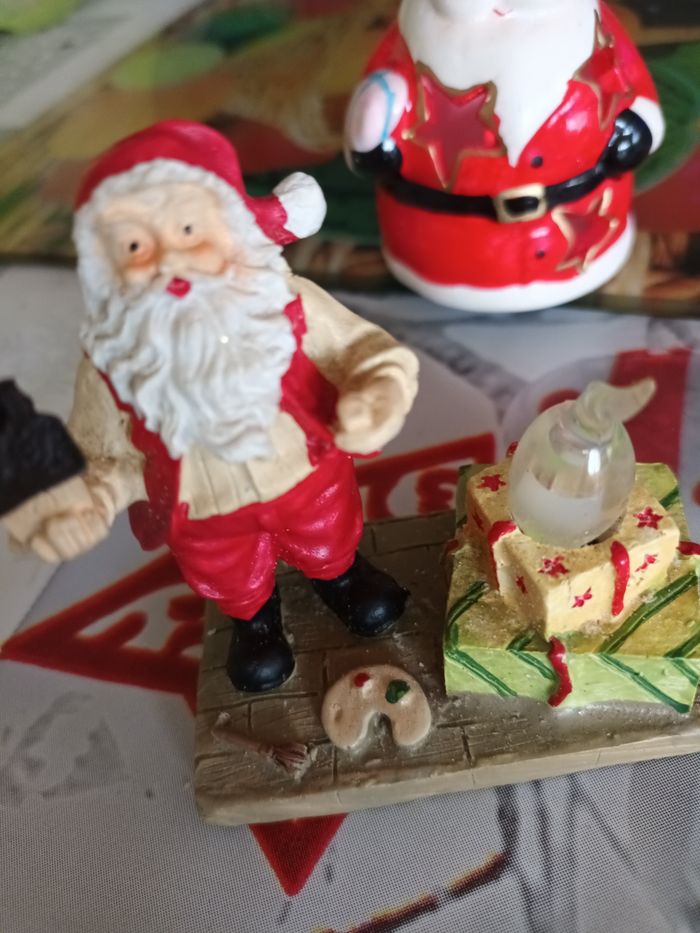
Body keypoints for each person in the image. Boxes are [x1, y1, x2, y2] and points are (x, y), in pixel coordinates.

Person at [7, 121, 419, 692]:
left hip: (306, 475)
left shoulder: (287, 305)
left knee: (328, 529)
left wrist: (378, 393)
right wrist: (89, 503)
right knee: (226, 571)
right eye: (135, 246)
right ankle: (254, 621)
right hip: (201, 513)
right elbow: (104, 456)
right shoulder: (112, 365)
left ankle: (342, 577)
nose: (169, 261)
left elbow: (362, 351)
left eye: (187, 229)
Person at [346, 0, 664, 312]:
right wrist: (374, 118)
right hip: (448, 251)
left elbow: (630, 80)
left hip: (587, 233)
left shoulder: (589, 23)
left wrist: (640, 124)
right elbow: (378, 100)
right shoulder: (416, 32)